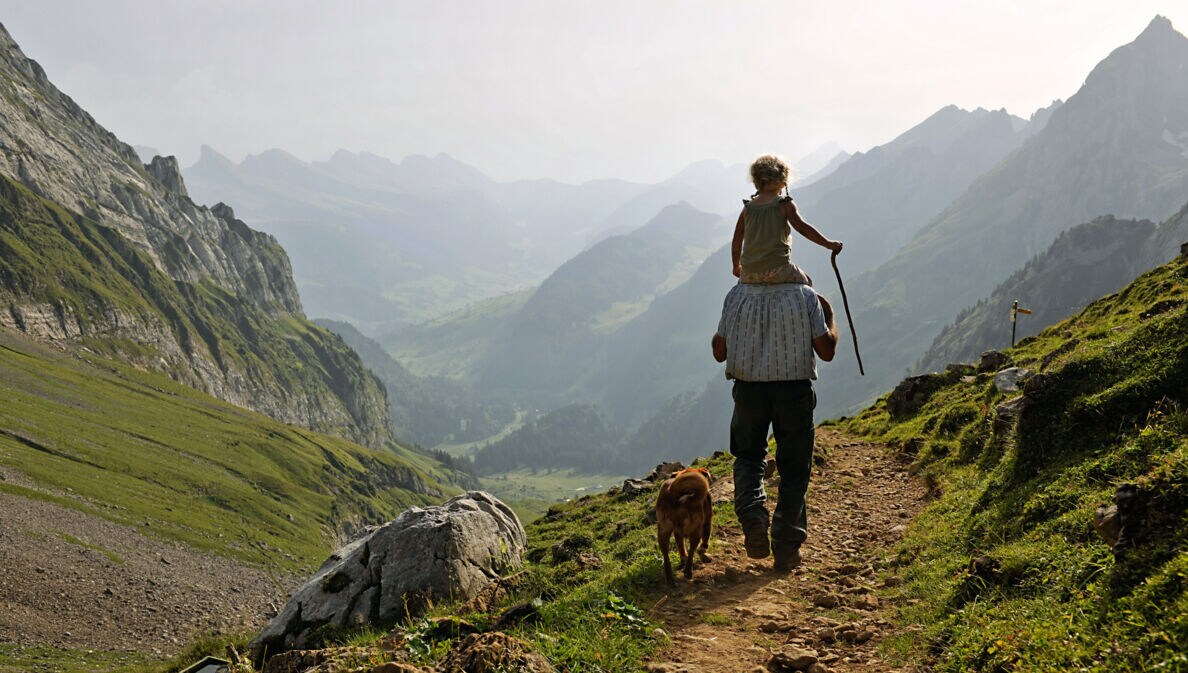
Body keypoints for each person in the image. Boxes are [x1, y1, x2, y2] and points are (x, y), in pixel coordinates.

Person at [711, 281, 839, 570]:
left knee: (748, 457)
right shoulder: (805, 295)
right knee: (794, 469)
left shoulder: (737, 295)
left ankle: (753, 516)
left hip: (748, 391)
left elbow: (719, 351)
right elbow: (827, 351)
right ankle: (786, 549)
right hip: (794, 391)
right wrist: (829, 315)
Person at [732, 154, 843, 284]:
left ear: (756, 181)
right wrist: (828, 244)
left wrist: (736, 265)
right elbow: (802, 228)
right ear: (782, 180)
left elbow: (737, 239)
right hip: (778, 269)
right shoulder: (784, 204)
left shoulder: (748, 208)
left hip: (749, 272)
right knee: (807, 282)